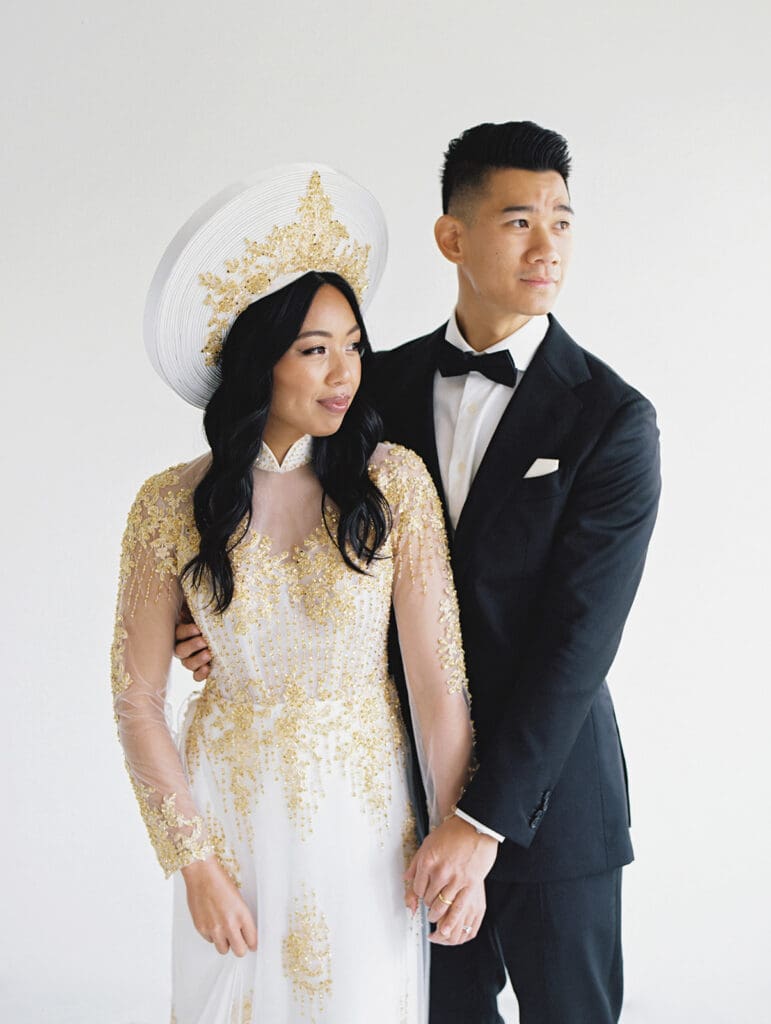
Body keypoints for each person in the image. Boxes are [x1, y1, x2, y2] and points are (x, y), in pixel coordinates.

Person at [177, 124, 661, 1023]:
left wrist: (479, 821)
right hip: (389, 809)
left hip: (551, 805)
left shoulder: (612, 417)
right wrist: (217, 622)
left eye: (561, 220)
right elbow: (278, 519)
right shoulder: (370, 388)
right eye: (518, 221)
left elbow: (578, 643)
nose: (547, 246)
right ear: (452, 237)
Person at [111, 166, 480, 1024]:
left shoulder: (394, 484)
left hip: (365, 814)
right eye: (315, 350)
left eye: (352, 344)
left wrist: (457, 840)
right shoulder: (168, 504)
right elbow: (135, 700)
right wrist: (194, 863)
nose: (344, 372)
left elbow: (438, 684)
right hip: (227, 813)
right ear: (258, 361)